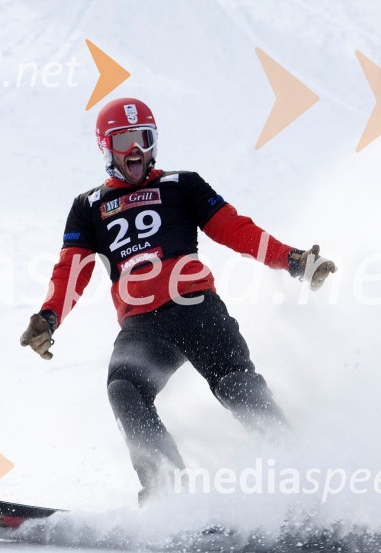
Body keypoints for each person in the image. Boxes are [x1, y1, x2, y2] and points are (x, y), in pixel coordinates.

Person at [20, 98, 336, 505]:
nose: (136, 150)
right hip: (144, 330)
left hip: (196, 310)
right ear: (106, 148)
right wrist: (48, 318)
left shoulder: (182, 185)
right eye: (125, 141)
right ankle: (169, 497)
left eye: (144, 139)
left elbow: (235, 229)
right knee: (124, 388)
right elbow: (70, 269)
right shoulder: (88, 207)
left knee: (235, 383)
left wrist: (291, 259)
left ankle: (302, 478)